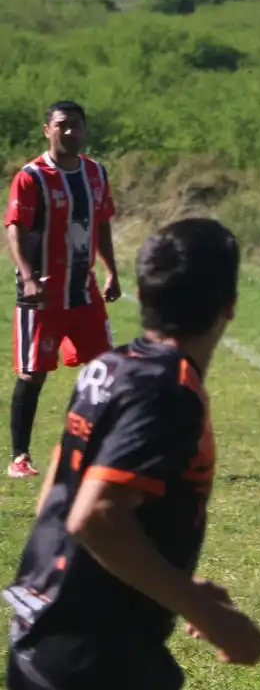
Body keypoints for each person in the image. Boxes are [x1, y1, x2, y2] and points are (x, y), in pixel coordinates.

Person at [0, 217, 260, 690]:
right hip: (101, 667)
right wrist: (206, 609)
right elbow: (97, 515)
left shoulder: (109, 366)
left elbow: (55, 502)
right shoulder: (170, 390)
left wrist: (169, 577)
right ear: (229, 305)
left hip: (40, 638)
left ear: (146, 293)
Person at [6, 101, 123, 479]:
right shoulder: (32, 177)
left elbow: (102, 223)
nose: (70, 132)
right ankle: (20, 457)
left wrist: (111, 271)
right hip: (42, 291)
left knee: (106, 369)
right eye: (62, 126)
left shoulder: (95, 173)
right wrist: (26, 276)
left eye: (76, 125)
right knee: (33, 373)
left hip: (82, 290)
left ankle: (102, 449)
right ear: (47, 130)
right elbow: (15, 229)